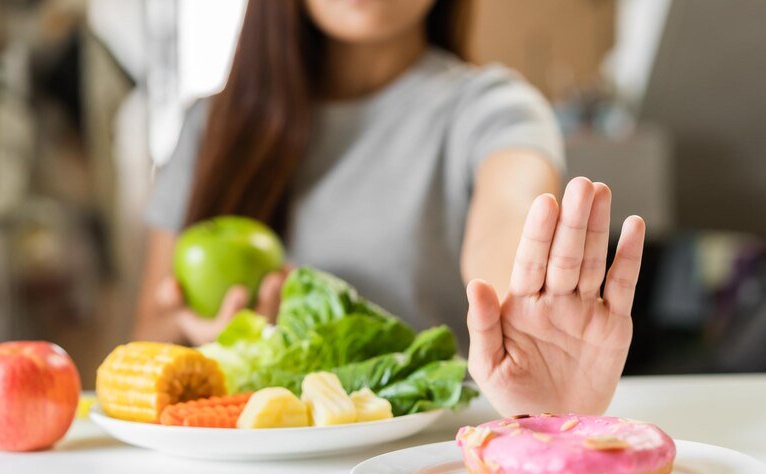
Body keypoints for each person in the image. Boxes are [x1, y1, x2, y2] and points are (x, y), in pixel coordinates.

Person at [134, 0, 645, 416]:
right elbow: (147, 341)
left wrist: (531, 320)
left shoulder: (495, 108)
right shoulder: (212, 127)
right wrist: (201, 337)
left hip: (425, 470)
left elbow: (505, 232)